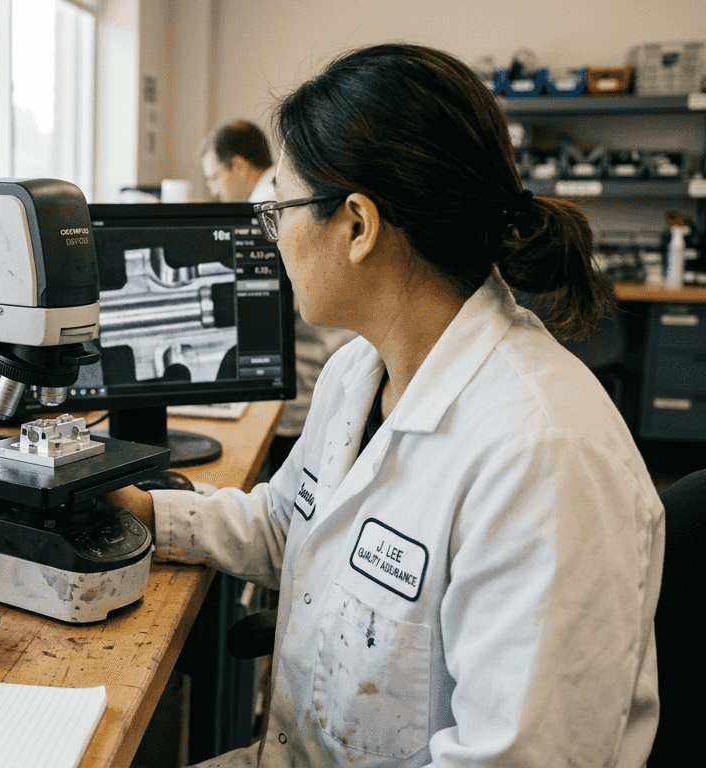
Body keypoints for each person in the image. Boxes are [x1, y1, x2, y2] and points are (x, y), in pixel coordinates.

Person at [113, 43, 663, 767]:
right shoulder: (357, 372)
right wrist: (143, 510)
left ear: (358, 225)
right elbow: (288, 525)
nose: (273, 238)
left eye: (281, 208)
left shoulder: (544, 458)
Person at [201, 120, 355, 474]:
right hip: (317, 380)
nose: (213, 191)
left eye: (213, 179)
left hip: (301, 396)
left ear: (236, 165)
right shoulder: (277, 199)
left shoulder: (262, 214)